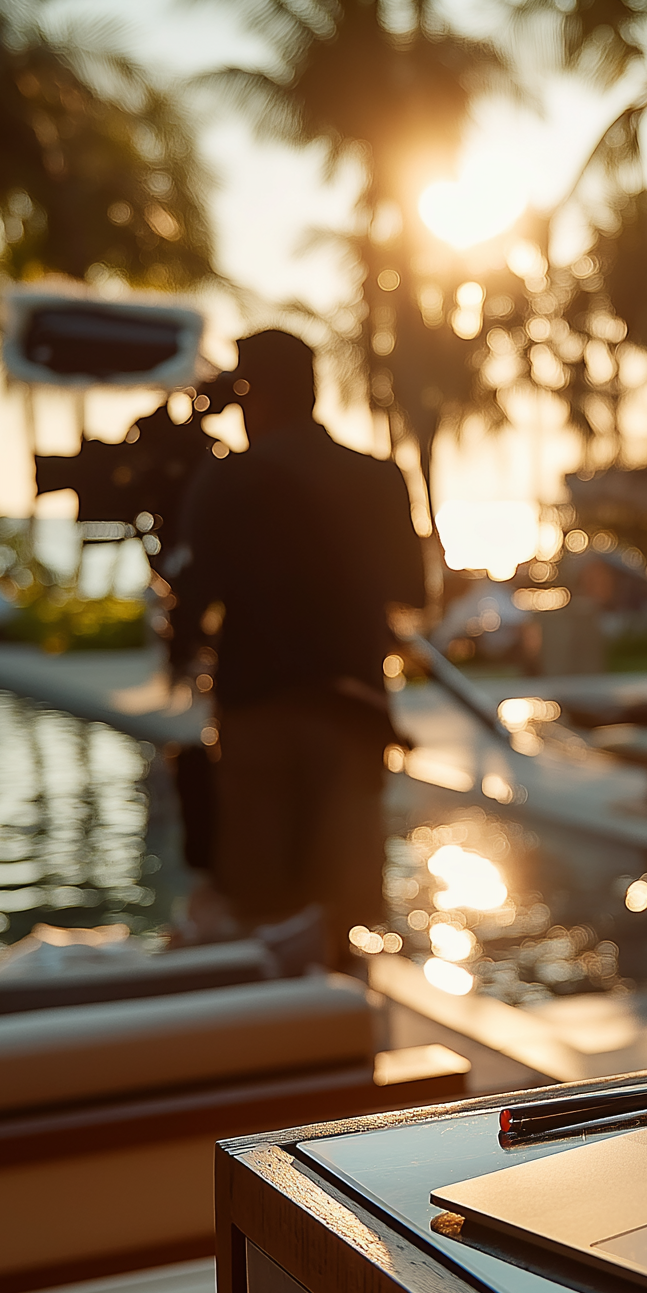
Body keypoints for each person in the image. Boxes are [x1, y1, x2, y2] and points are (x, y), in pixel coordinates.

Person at [171, 329, 427, 945]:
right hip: (355, 715)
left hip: (259, 718)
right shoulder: (378, 477)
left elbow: (191, 603)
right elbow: (414, 592)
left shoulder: (227, 482)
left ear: (252, 396)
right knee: (348, 915)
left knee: (259, 908)